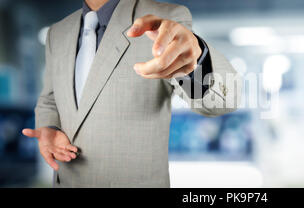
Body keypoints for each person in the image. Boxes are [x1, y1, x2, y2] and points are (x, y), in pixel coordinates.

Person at [21, 0, 241, 187]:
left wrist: (198, 61)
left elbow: (222, 102)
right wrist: (49, 127)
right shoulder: (57, 33)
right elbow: (49, 99)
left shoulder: (163, 19)